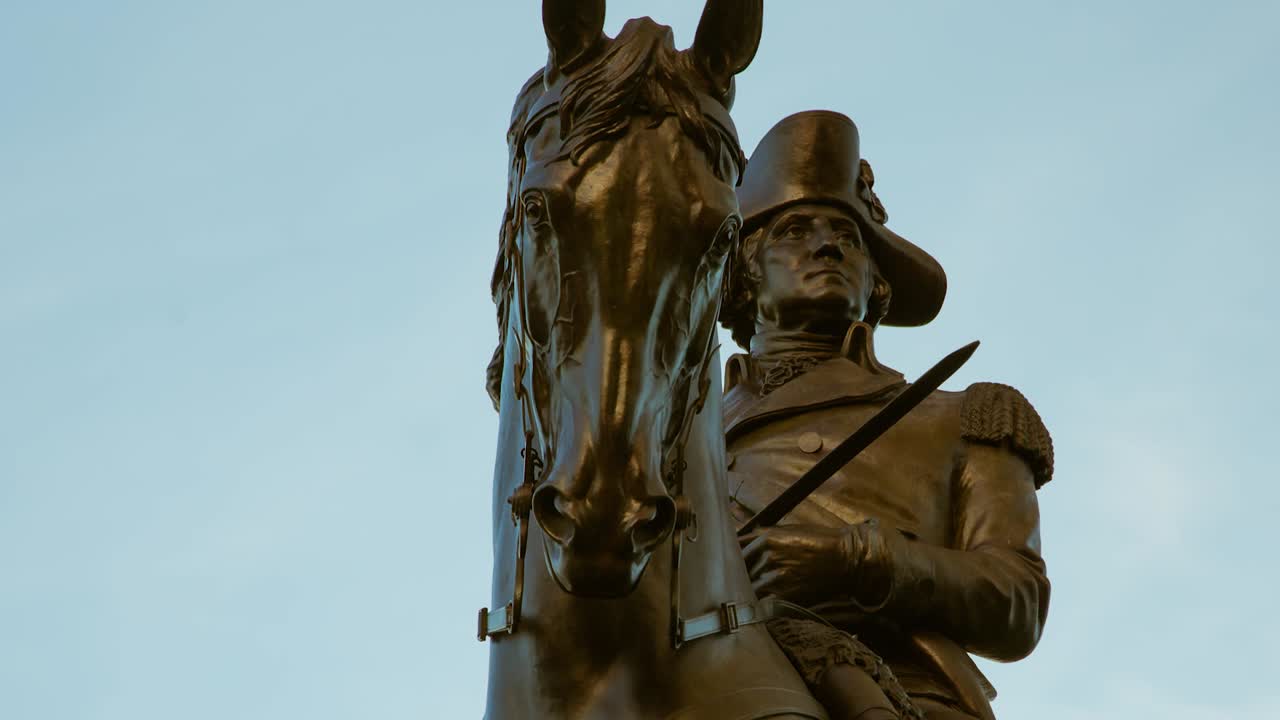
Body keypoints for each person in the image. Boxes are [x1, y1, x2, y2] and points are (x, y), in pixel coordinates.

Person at [720, 111, 1053, 720]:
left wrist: (853, 562)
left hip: (899, 696)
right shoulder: (674, 440)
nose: (827, 245)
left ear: (876, 282)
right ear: (743, 273)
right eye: (796, 230)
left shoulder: (961, 416)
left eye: (848, 237)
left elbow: (1018, 602)